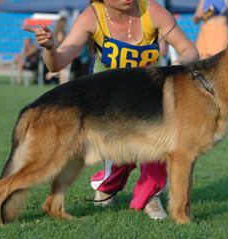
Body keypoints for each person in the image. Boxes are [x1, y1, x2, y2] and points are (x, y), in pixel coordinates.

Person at [23, 0, 199, 220]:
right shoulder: (91, 17)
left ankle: (150, 197)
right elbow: (56, 64)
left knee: (159, 151)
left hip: (149, 97)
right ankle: (106, 186)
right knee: (121, 159)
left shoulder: (151, 10)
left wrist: (170, 73)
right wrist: (49, 48)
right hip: (108, 102)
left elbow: (189, 50)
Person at [45, 17, 68, 84]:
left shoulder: (57, 31)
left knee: (62, 69)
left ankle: (61, 83)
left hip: (58, 51)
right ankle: (53, 75)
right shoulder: (60, 32)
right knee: (62, 69)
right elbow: (60, 41)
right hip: (60, 51)